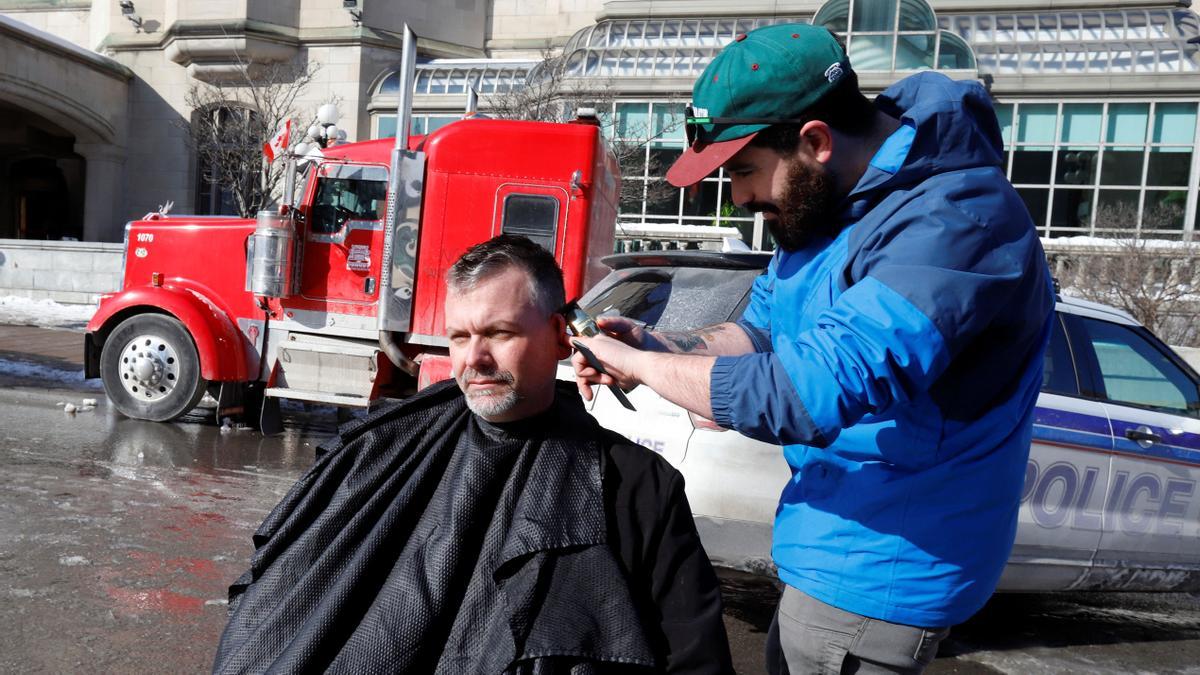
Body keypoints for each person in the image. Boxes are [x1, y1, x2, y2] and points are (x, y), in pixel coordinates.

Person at [572, 24, 1055, 674]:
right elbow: (761, 332)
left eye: (743, 171)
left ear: (816, 141)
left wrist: (646, 367)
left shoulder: (956, 224)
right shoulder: (826, 204)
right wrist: (659, 342)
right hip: (827, 541)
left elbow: (811, 392)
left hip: (881, 570)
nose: (739, 198)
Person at [213, 234, 733, 674]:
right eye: (459, 338)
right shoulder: (379, 451)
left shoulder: (634, 488)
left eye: (499, 333)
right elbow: (279, 599)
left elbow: (695, 658)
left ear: (558, 336)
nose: (475, 360)